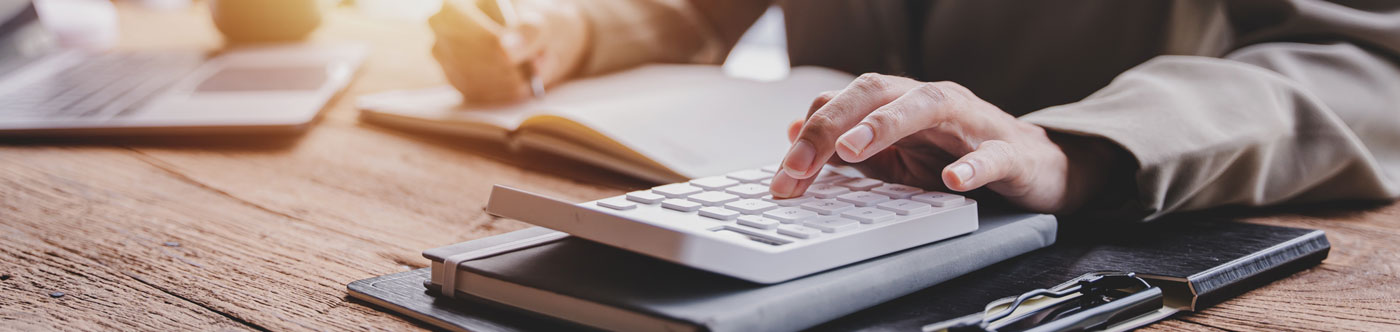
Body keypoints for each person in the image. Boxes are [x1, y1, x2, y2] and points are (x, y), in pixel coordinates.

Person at [428, 0, 1400, 221]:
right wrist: (568, 31)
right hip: (807, 222)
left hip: (1075, 231)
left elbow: (1365, 55)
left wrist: (1076, 145)